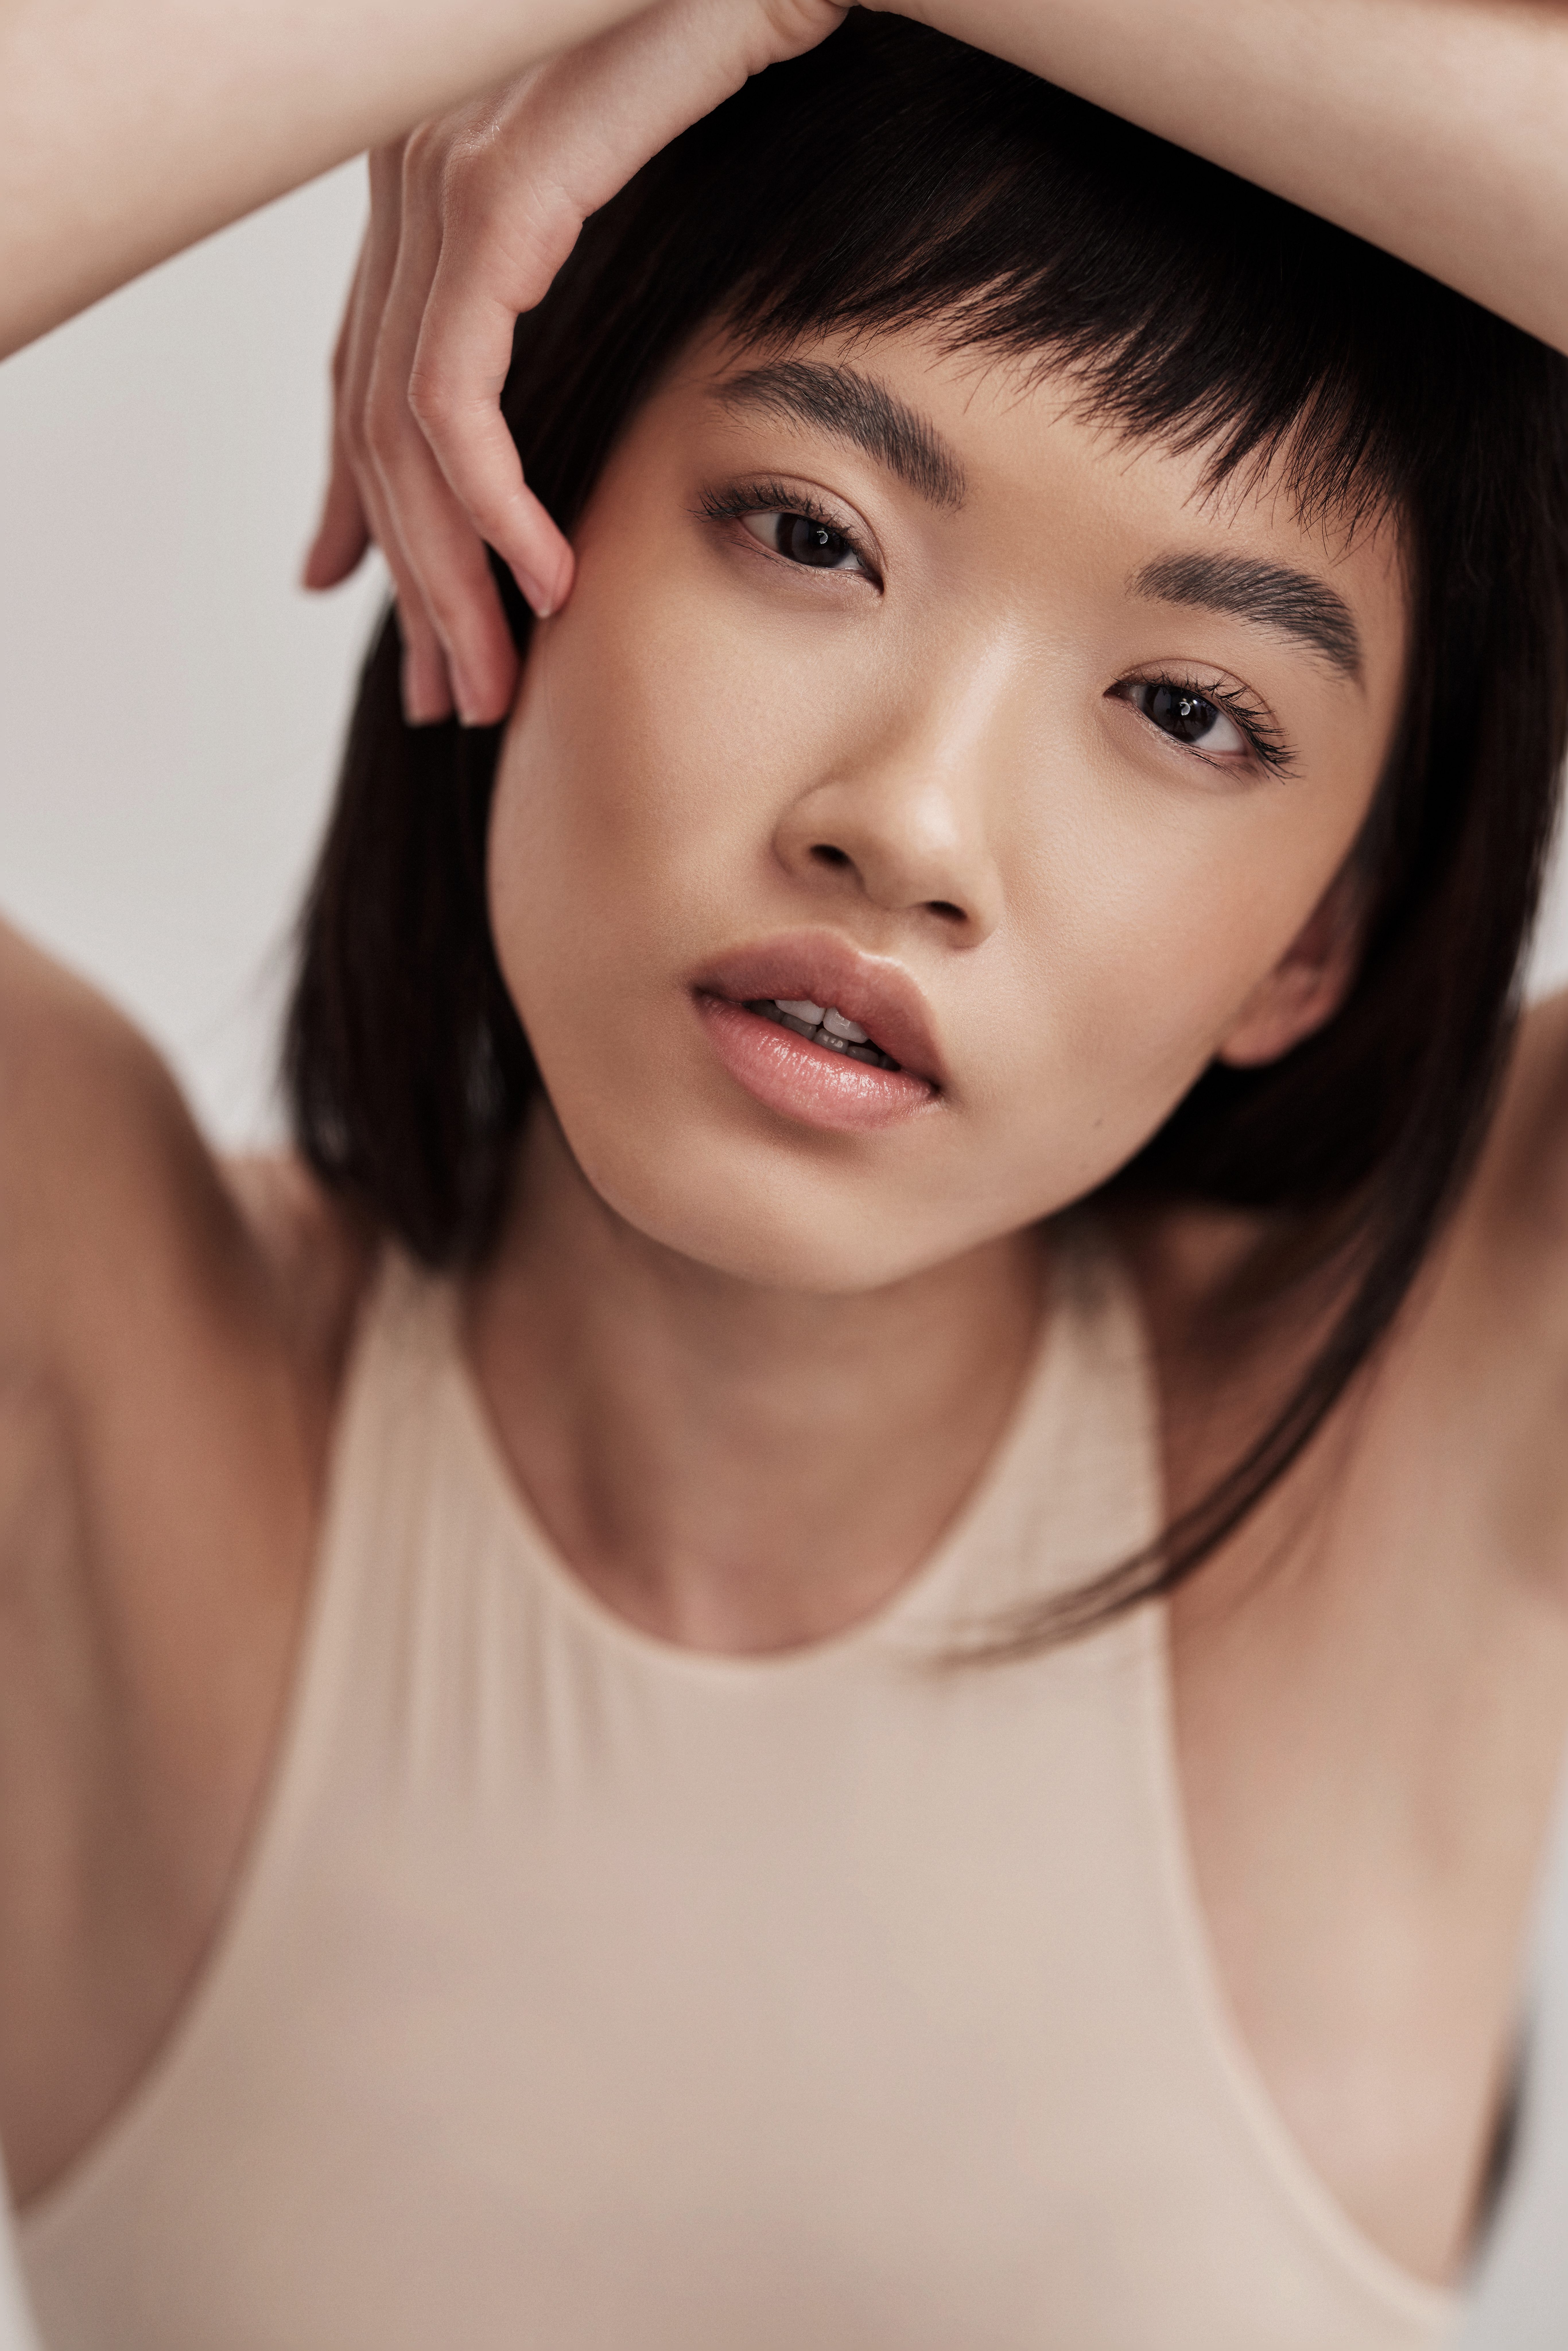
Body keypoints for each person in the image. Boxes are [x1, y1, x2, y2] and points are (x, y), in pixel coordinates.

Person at [4, 3, 1568, 2346]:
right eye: (811, 533)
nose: (906, 824)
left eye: (1185, 708)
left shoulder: (1455, 1407)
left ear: (1318, 937)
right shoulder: (103, 1356)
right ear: (499, 494)